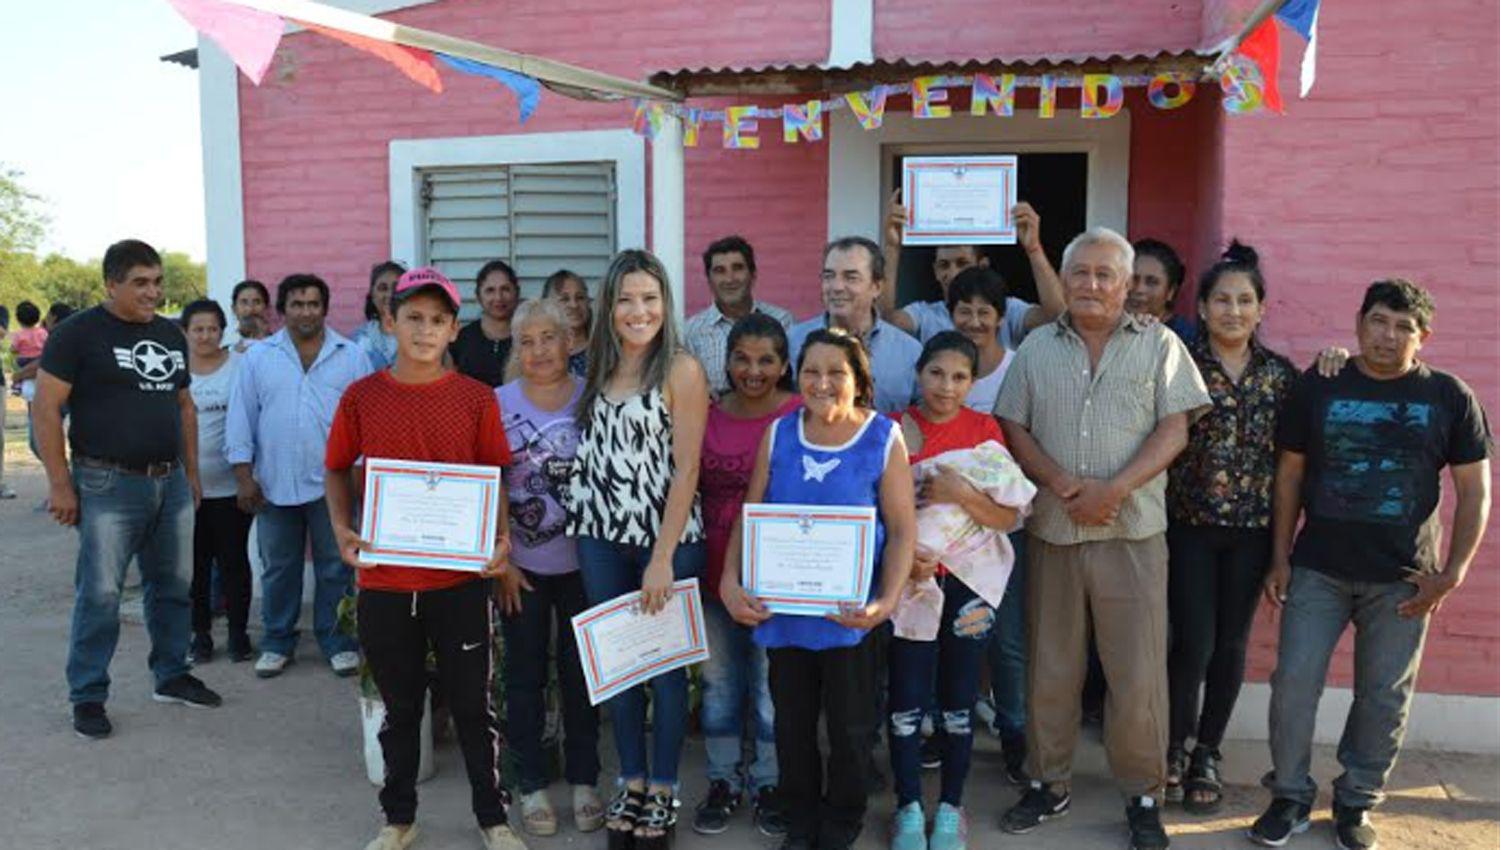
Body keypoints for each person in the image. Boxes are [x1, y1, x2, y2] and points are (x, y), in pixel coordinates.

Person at [1249, 279, 1492, 850]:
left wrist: (1452, 572)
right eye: (1379, 321)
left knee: (1383, 696)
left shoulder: (1450, 397)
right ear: (1359, 324)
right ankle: (1289, 796)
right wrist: (1279, 557)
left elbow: (1474, 489)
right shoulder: (1320, 385)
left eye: (1403, 326)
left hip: (1405, 580)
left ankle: (1356, 803)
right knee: (1293, 685)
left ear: (1423, 337)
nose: (1388, 335)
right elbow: (1288, 475)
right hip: (1318, 569)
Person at [994, 226, 1210, 850]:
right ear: (1064, 280)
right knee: (1051, 667)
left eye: (1104, 275)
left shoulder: (1160, 345)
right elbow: (1013, 422)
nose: (1091, 284)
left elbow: (1175, 430)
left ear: (1126, 285)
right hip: (1055, 530)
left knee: (1136, 671)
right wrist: (1061, 480)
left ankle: (1143, 794)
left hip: (1133, 530)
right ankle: (1047, 783)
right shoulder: (1037, 347)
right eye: (1080, 273)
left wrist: (1114, 488)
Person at [323, 267, 528, 850]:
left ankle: (493, 819)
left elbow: (495, 478)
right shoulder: (362, 397)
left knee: (473, 706)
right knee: (399, 708)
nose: (424, 329)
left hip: (459, 580)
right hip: (385, 582)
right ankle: (399, 818)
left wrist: (500, 540)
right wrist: (342, 528)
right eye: (413, 317)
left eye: (438, 320)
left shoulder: (474, 399)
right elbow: (337, 466)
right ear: (390, 320)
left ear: (453, 329)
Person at [720, 328, 916, 850]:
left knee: (852, 730)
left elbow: (901, 530)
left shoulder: (882, 436)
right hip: (784, 614)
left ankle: (843, 817)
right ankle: (800, 816)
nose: (822, 382)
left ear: (858, 380)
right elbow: (751, 514)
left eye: (837, 373)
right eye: (812, 371)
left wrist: (886, 602)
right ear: (797, 375)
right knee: (791, 725)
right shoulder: (780, 434)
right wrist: (729, 579)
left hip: (851, 616)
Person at [33, 239, 222, 739]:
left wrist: (193, 474)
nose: (153, 291)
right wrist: (60, 484)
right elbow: (46, 408)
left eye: (158, 281)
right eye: (140, 282)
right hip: (106, 482)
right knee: (100, 594)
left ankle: (171, 674)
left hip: (171, 481)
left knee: (174, 587)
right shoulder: (77, 334)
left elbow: (184, 406)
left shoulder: (169, 333)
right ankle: (89, 695)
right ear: (110, 284)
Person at [562, 249, 709, 850]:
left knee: (667, 675)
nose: (637, 310)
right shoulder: (595, 368)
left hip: (664, 542)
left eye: (649, 298)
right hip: (598, 536)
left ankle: (665, 789)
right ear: (609, 306)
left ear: (665, 304)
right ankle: (632, 779)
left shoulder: (681, 369)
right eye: (625, 299)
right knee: (619, 671)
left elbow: (687, 467)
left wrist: (661, 557)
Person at [1160, 242, 1297, 813]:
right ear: (1205, 306)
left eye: (1244, 301)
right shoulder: (1177, 361)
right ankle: (1171, 746)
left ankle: (1206, 753)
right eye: (1222, 300)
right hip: (1188, 526)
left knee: (1231, 645)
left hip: (1251, 532)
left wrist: (1281, 551)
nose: (1233, 311)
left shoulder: (1282, 377)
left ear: (1261, 309)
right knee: (1191, 642)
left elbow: (1294, 465)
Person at [887, 331, 1030, 850]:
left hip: (970, 586)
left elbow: (1008, 516)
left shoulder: (984, 430)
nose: (947, 387)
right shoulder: (894, 431)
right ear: (919, 373)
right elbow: (876, 513)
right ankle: (907, 807)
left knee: (958, 700)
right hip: (910, 582)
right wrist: (906, 560)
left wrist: (961, 492)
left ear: (974, 382)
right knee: (905, 697)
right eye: (936, 374)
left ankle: (950, 808)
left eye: (960, 377)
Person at [226, 273, 372, 679]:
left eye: (313, 304)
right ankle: (277, 641)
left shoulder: (352, 355)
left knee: (334, 565)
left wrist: (361, 476)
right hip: (273, 482)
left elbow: (364, 423)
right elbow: (241, 418)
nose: (306, 311)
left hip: (334, 484)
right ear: (282, 310)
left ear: (324, 309)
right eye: (297, 304)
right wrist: (243, 477)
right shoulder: (258, 357)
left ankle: (337, 641)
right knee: (278, 566)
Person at [495, 298, 603, 837]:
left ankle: (585, 778)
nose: (539, 350)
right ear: (517, 347)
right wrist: (502, 558)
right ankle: (531, 782)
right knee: (525, 676)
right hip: (523, 568)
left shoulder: (593, 399)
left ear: (569, 341)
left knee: (582, 674)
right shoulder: (497, 402)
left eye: (549, 338)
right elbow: (490, 479)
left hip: (586, 565)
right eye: (527, 340)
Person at [692, 313, 800, 837]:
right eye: (741, 358)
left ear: (784, 365)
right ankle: (722, 780)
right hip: (713, 569)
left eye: (765, 361)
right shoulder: (707, 413)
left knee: (766, 686)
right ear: (727, 359)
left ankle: (769, 782)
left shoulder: (801, 414)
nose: (752, 371)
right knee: (718, 682)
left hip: (780, 575)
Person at [880, 196, 1064, 348]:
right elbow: (885, 323)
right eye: (944, 265)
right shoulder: (925, 314)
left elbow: (1057, 316)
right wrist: (892, 247)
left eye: (962, 263)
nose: (953, 273)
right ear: (935, 271)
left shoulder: (1008, 309)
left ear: (982, 266)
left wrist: (1033, 249)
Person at [180, 299, 255, 665]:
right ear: (185, 333)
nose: (206, 335)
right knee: (195, 567)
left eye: (212, 328)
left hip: (232, 486)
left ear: (222, 330)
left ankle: (239, 635)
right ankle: (201, 636)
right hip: (188, 489)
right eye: (198, 329)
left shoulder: (241, 366)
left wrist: (248, 479)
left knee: (234, 563)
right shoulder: (175, 371)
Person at [788, 237, 922, 413]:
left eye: (851, 277)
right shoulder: (793, 342)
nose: (836, 287)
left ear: (877, 287)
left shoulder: (909, 352)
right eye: (829, 276)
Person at [683, 235, 795, 396]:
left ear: (753, 274)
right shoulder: (691, 332)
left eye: (737, 268)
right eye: (719, 271)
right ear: (709, 279)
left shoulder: (783, 321)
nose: (729, 279)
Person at [943, 267, 1016, 412]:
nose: (974, 323)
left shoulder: (1018, 367)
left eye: (984, 313)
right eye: (965, 312)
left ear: (1000, 318)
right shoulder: (938, 370)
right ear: (951, 316)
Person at [451, 259, 521, 387]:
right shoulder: (462, 338)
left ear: (516, 292)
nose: (498, 297)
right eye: (490, 290)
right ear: (478, 296)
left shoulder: (527, 337)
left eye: (505, 289)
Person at [1130, 239, 1195, 340]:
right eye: (1133, 279)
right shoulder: (1107, 329)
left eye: (1152, 282)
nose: (1139, 289)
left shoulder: (1187, 340)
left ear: (1170, 292)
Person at [352, 261, 405, 370]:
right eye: (383, 288)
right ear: (372, 295)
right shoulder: (359, 339)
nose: (390, 295)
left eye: (396, 288)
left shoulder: (420, 334)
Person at [543, 269, 592, 378]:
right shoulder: (537, 352)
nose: (574, 305)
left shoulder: (603, 351)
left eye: (580, 298)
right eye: (564, 299)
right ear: (547, 306)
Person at [231, 279, 272, 353]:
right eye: (244, 302)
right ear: (234, 309)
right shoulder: (227, 352)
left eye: (257, 302)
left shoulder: (280, 348)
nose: (250, 309)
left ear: (266, 308)